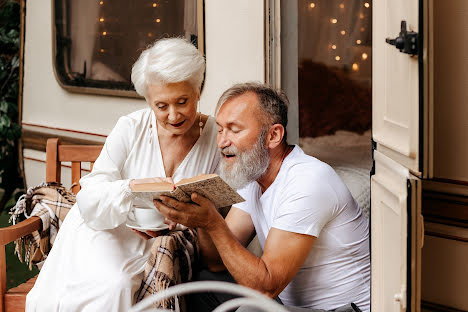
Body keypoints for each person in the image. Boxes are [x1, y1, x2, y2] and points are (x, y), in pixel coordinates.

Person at [26, 38, 220, 311]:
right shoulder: (130, 127)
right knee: (111, 286)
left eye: (182, 101)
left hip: (156, 246)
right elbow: (91, 194)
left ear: (198, 90)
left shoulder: (215, 136)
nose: (173, 115)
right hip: (107, 230)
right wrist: (130, 188)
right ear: (148, 100)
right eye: (161, 106)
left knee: (117, 285)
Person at [154, 82, 370, 312]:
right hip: (285, 304)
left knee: (250, 309)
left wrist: (212, 223)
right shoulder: (254, 176)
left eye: (234, 130)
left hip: (342, 310)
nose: (222, 142)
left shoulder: (308, 181)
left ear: (273, 135)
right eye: (220, 129)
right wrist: (200, 220)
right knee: (201, 283)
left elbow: (265, 288)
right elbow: (215, 262)